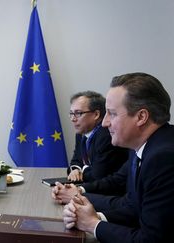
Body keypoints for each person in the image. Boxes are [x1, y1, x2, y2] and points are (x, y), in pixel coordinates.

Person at [63, 72, 174, 242]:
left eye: (112, 113)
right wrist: (91, 216)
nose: (105, 122)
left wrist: (93, 225)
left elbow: (151, 239)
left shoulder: (164, 158)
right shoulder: (143, 147)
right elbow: (131, 206)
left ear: (141, 117)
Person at [67, 91, 129, 182]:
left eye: (78, 113)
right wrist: (75, 170)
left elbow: (98, 175)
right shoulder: (81, 133)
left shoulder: (107, 136)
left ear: (96, 114)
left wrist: (82, 171)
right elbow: (76, 160)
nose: (73, 119)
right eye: (71, 113)